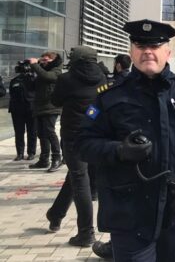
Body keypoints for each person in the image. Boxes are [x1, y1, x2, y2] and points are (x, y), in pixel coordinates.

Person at [77, 19, 175, 261]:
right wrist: (119, 150)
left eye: (155, 46)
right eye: (140, 45)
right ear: (131, 51)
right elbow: (83, 144)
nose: (148, 51)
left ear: (167, 51)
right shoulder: (110, 96)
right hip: (128, 213)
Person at [45, 46, 107, 246]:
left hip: (73, 135)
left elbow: (55, 100)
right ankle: (56, 214)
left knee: (80, 179)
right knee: (76, 175)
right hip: (95, 134)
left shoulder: (66, 79)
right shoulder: (102, 76)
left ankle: (86, 233)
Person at [28, 51, 63, 171]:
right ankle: (44, 160)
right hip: (40, 106)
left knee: (50, 132)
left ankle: (57, 158)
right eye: (42, 59)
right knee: (41, 134)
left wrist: (35, 65)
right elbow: (32, 87)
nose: (43, 62)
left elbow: (48, 77)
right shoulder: (41, 71)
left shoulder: (57, 70)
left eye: (46, 60)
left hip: (52, 106)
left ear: (53, 60)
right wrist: (30, 72)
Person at [8, 61, 36, 161]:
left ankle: (31, 152)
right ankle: (20, 153)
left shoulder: (33, 79)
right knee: (19, 132)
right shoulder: (14, 81)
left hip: (31, 109)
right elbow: (11, 94)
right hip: (17, 110)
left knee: (32, 132)